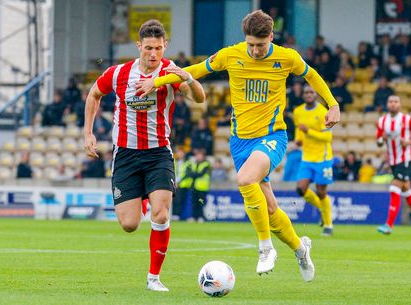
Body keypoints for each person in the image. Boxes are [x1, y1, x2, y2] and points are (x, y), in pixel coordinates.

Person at [136, 10, 341, 281]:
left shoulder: (286, 57)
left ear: (271, 36)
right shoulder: (231, 54)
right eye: (250, 44)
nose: (255, 50)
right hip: (240, 142)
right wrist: (158, 80)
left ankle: (265, 248)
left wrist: (333, 105)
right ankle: (301, 249)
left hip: (272, 136)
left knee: (245, 180)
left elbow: (312, 75)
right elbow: (194, 71)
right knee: (269, 208)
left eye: (260, 45)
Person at [84, 20, 205, 291]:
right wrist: (88, 134)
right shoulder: (118, 74)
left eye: (159, 48)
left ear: (166, 46)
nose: (154, 54)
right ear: (139, 46)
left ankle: (154, 278)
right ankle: (140, 198)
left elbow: (199, 98)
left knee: (161, 215)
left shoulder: (170, 73)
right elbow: (93, 95)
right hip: (125, 155)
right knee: (129, 225)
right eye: (149, 48)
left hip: (158, 154)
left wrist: (187, 77)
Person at [376, 95, 411, 235]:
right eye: (390, 102)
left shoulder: (407, 119)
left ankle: (389, 225)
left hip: (405, 159)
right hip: (393, 161)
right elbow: (378, 141)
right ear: (387, 104)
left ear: (399, 104)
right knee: (406, 190)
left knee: (394, 187)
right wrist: (383, 139)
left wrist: (408, 143)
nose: (393, 104)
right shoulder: (382, 121)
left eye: (396, 102)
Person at [294, 85, 334, 236]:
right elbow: (299, 129)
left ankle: (328, 224)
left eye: (311, 92)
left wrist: (308, 132)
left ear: (316, 95)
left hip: (323, 158)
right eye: (306, 92)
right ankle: (323, 211)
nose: (308, 94)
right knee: (301, 189)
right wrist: (298, 139)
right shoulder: (298, 111)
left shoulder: (323, 112)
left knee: (321, 192)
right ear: (303, 95)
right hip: (307, 157)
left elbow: (328, 137)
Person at [190, 148, 211, 222]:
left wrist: (194, 174)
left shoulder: (206, 164)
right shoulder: (194, 163)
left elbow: (200, 174)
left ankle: (201, 216)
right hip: (194, 186)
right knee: (194, 203)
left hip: (202, 187)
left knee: (201, 203)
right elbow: (190, 173)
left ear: (203, 156)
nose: (198, 157)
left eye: (200, 155)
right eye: (197, 155)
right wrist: (195, 174)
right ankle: (194, 216)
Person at [172, 147, 192, 220]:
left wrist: (179, 182)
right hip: (174, 184)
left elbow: (187, 173)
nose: (179, 154)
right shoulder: (174, 161)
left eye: (181, 152)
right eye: (178, 152)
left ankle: (179, 215)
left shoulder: (188, 163)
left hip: (183, 185)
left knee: (181, 200)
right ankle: (175, 214)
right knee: (175, 200)